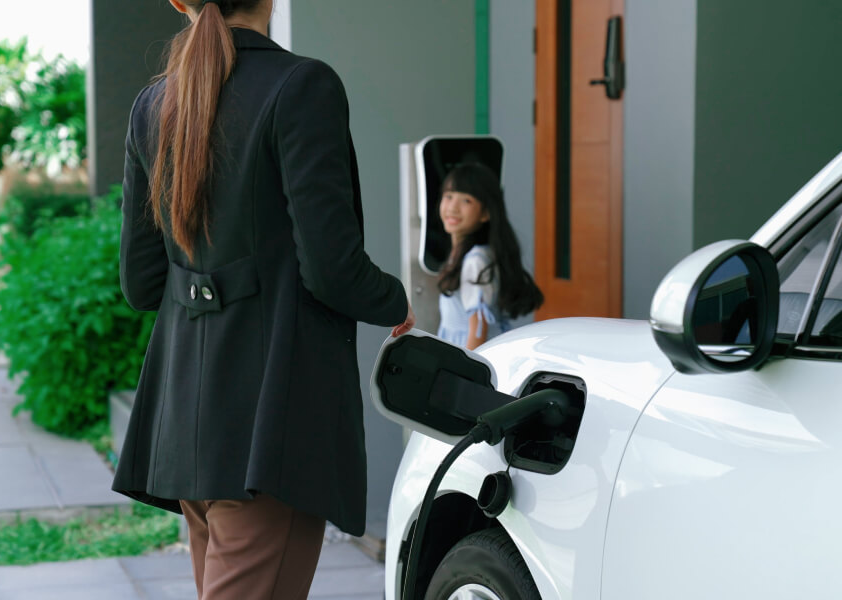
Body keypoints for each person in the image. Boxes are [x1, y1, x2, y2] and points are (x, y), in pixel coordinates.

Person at [110, 0, 415, 598]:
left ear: (179, 3)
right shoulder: (302, 86)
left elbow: (141, 284)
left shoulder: (153, 103)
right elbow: (332, 269)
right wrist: (397, 302)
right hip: (270, 420)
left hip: (185, 418)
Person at [436, 162, 543, 350]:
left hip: (471, 353)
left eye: (466, 201)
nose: (452, 207)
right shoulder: (469, 255)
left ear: (485, 213)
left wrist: (465, 366)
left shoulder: (475, 262)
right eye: (449, 196)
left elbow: (478, 330)